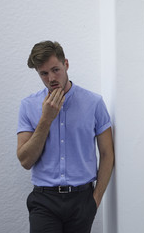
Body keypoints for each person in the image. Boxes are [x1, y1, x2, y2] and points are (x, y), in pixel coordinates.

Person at [16, 41, 115, 233]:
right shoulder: (28, 105)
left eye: (55, 69)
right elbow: (25, 161)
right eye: (44, 73)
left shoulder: (94, 103)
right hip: (44, 201)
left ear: (66, 64)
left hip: (82, 200)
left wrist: (95, 200)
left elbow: (107, 153)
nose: (51, 78)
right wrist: (46, 119)